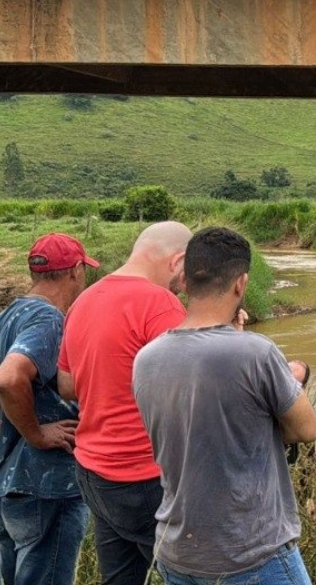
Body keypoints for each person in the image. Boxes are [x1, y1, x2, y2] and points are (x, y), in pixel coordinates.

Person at [133, 227, 316, 585]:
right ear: (241, 284)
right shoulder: (256, 353)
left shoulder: (146, 359)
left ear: (184, 280)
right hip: (250, 555)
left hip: (177, 551)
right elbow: (307, 429)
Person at [57, 221, 191, 585]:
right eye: (186, 273)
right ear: (177, 261)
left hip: (94, 472)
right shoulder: (160, 303)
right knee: (192, 576)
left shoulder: (85, 300)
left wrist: (108, 383)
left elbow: (66, 385)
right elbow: (194, 389)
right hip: (144, 475)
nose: (183, 285)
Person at [0, 234, 97, 585]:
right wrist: (37, 434)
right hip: (45, 483)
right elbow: (10, 378)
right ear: (75, 271)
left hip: (13, 480)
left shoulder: (11, 313)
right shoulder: (48, 319)